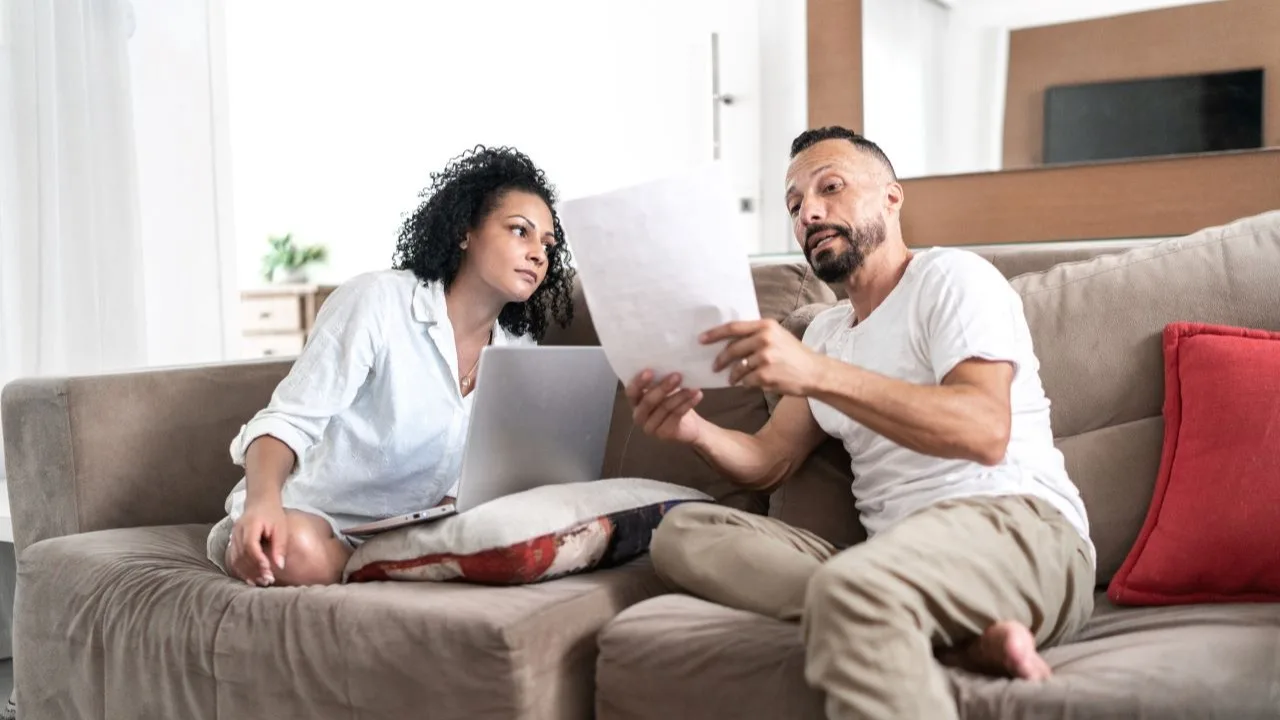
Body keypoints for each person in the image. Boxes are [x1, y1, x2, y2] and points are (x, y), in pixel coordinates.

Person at [625, 127, 1094, 720]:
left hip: (1019, 528)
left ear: (891, 198)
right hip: (895, 554)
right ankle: (951, 639)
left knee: (852, 588)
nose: (809, 213)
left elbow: (983, 430)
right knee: (683, 534)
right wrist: (691, 429)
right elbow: (770, 461)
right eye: (794, 205)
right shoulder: (826, 332)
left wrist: (817, 374)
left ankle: (875, 606)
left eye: (830, 188)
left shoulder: (951, 278)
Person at [207, 146, 575, 588]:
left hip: (402, 536)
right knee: (296, 550)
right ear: (465, 232)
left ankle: (383, 568)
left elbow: (487, 476)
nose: (538, 254)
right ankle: (381, 571)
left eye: (546, 245)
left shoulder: (519, 352)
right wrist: (262, 505)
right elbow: (285, 422)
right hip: (302, 515)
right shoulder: (377, 302)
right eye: (520, 231)